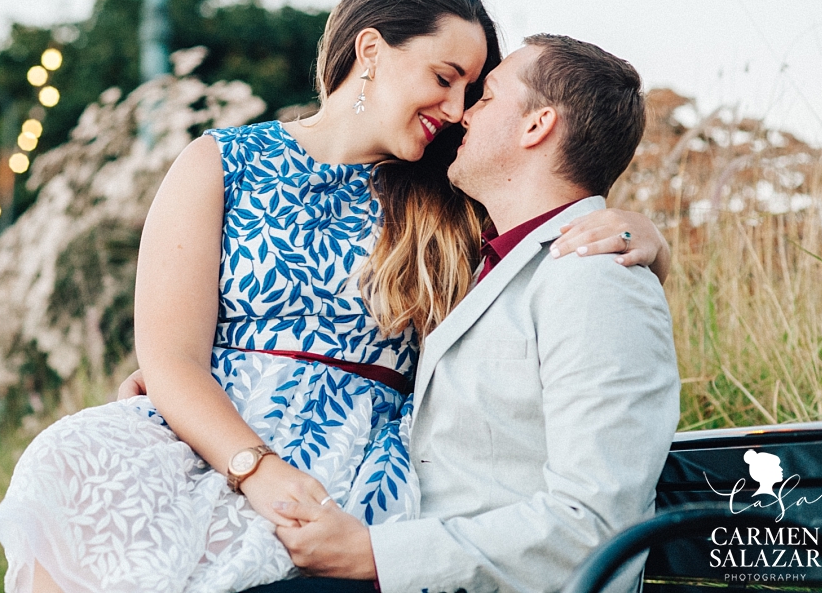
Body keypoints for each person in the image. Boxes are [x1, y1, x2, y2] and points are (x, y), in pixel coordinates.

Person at [0, 0, 669, 593]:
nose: (460, 107)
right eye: (445, 76)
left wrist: (644, 236)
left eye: (474, 89)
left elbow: (550, 234)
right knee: (67, 472)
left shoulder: (450, 196)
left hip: (361, 472)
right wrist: (252, 466)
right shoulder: (221, 163)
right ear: (371, 50)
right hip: (222, 437)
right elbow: (168, 357)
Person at [257, 36, 681, 593]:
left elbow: (596, 524)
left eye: (486, 98)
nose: (461, 115)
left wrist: (374, 554)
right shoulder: (490, 264)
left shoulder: (598, 278)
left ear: (537, 126)